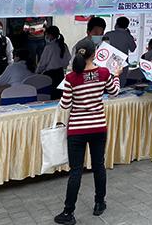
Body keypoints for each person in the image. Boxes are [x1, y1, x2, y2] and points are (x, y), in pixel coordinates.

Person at [54, 39, 120, 225]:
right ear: (94, 53)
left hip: (77, 129)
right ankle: (99, 203)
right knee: (99, 165)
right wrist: (116, 75)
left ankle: (68, 212)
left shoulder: (71, 77)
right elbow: (114, 92)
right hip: (98, 126)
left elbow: (65, 105)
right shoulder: (103, 73)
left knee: (76, 171)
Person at [36, 26, 71, 99]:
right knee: (58, 96)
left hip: (50, 74)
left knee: (50, 96)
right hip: (60, 73)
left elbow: (42, 63)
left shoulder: (49, 47)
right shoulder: (64, 45)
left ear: (50, 35)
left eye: (47, 34)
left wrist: (37, 72)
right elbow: (67, 60)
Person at [104, 17, 137, 87]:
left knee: (108, 85)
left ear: (116, 24)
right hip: (122, 65)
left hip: (108, 63)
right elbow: (133, 49)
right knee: (121, 85)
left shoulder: (108, 34)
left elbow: (102, 48)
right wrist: (129, 35)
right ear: (127, 26)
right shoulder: (128, 36)